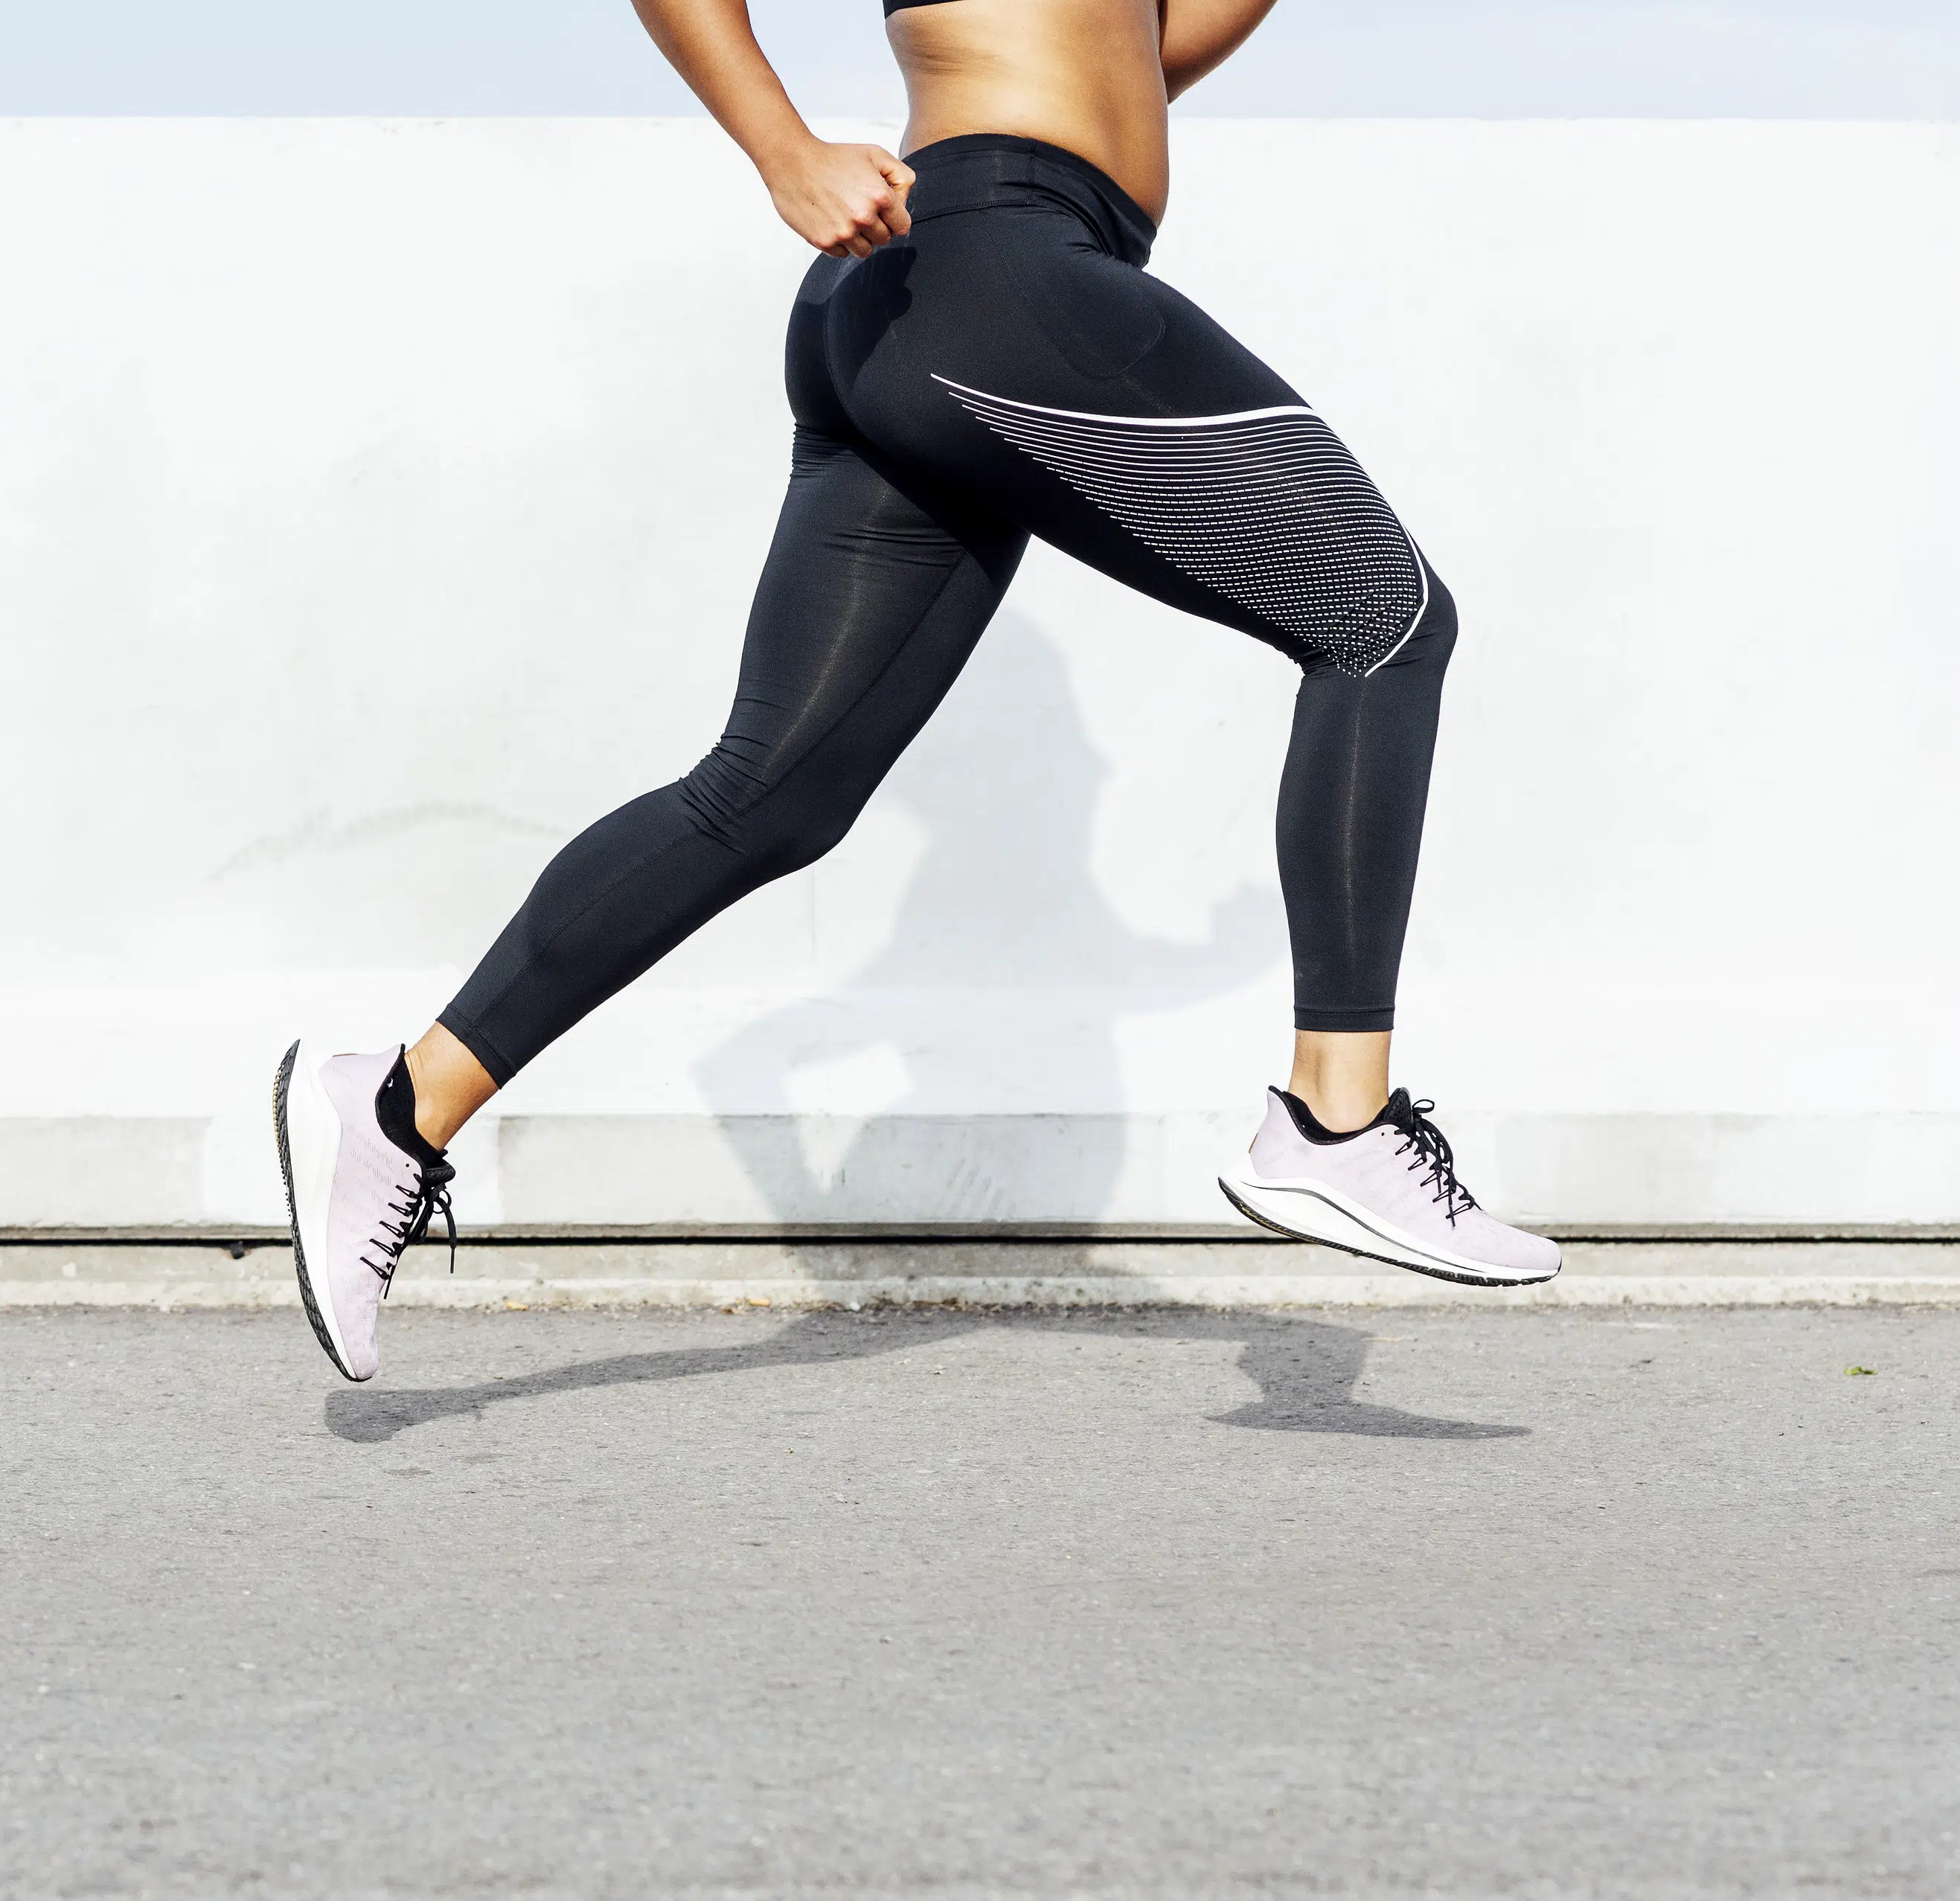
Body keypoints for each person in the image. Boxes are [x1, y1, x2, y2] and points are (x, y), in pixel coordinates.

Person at [275, 0, 1560, 1383]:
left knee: (766, 799)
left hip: (940, 293)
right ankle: (1333, 1123)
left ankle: (398, 1107)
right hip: (990, 267)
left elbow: (1137, 58)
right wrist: (778, 149)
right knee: (1382, 616)